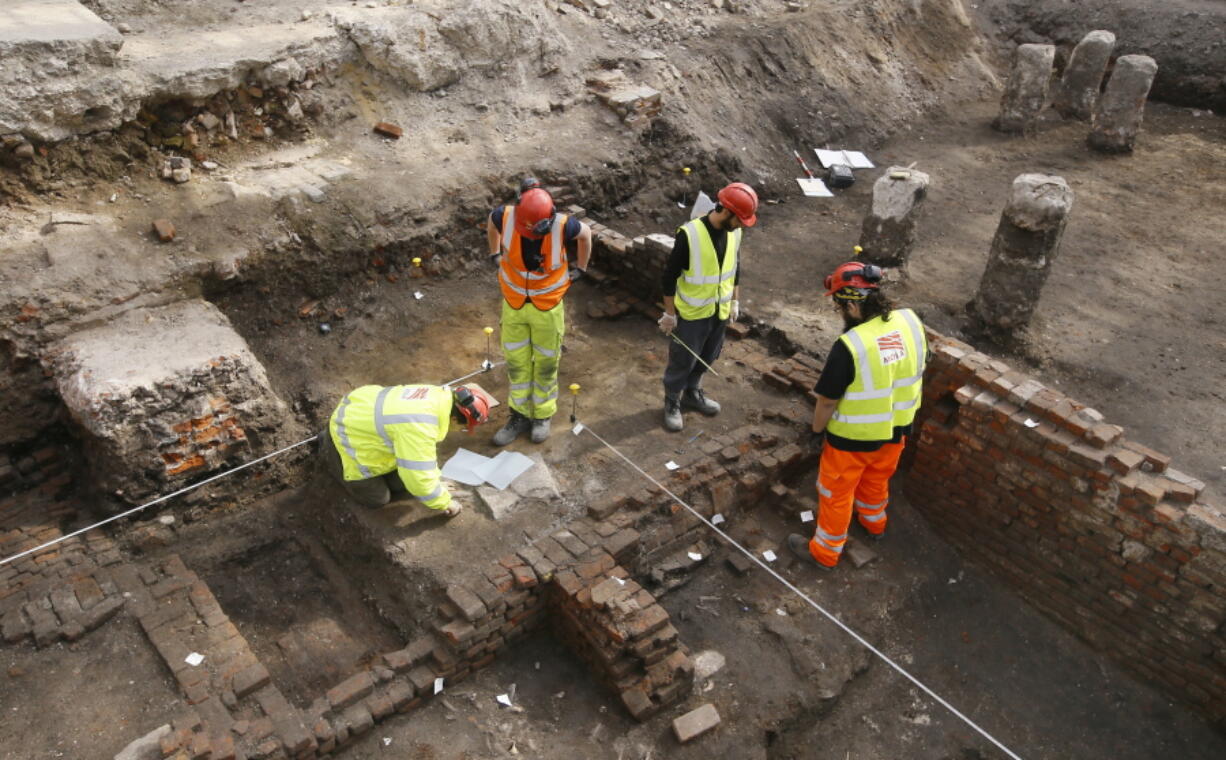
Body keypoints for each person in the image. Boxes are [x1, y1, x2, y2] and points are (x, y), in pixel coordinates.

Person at [788, 261, 927, 569]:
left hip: (853, 440)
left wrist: (815, 432)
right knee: (877, 479)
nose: (841, 313)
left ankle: (825, 553)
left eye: (840, 306)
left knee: (836, 494)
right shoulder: (909, 321)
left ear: (851, 304)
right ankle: (874, 524)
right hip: (897, 427)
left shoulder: (851, 345)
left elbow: (827, 402)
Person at [488, 180, 592, 446]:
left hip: (546, 306)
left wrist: (581, 267)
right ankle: (519, 415)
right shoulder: (506, 216)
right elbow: (492, 221)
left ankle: (542, 416)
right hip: (514, 304)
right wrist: (495, 254)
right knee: (516, 363)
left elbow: (586, 234)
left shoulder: (562, 225)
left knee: (546, 364)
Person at [657, 182, 758, 432]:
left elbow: (735, 268)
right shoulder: (689, 235)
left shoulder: (735, 232)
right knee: (682, 360)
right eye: (739, 219)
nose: (741, 225)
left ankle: (693, 392)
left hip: (720, 310)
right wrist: (670, 314)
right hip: (692, 314)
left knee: (708, 355)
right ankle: (672, 402)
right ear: (726, 212)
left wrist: (735, 300)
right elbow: (669, 278)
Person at [320, 384, 493, 515]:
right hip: (346, 435)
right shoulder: (420, 427)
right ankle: (327, 449)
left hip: (359, 413)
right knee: (378, 498)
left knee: (400, 484)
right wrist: (444, 502)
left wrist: (435, 481)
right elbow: (418, 476)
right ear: (455, 420)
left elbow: (421, 460)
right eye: (463, 428)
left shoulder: (437, 396)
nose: (457, 431)